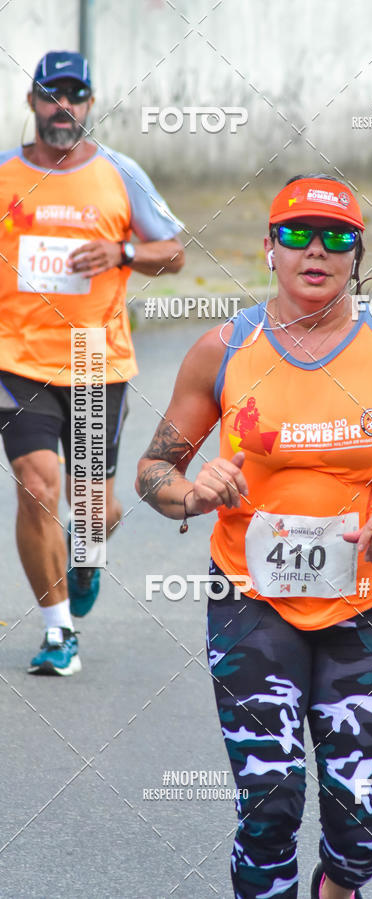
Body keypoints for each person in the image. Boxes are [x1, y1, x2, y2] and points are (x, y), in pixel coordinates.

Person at [136, 175, 372, 899]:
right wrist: (190, 490)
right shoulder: (222, 349)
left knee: (362, 827)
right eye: (296, 235)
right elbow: (154, 469)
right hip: (250, 599)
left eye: (336, 237)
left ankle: (339, 882)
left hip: (366, 603)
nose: (315, 251)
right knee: (269, 804)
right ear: (269, 250)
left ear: (358, 255)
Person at [0, 51, 185, 675]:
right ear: (32, 102)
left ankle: (84, 554)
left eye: (74, 96)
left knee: (92, 508)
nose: (62, 108)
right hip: (14, 360)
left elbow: (174, 253)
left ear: (89, 103)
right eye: (51, 95)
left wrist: (123, 251)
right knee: (35, 485)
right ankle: (57, 632)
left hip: (93, 361)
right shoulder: (3, 174)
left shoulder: (120, 173)